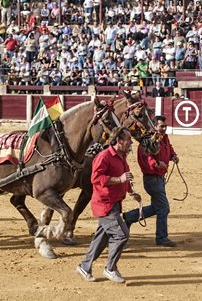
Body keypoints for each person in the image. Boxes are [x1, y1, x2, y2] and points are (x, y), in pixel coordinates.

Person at [76, 127, 141, 284]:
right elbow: (96, 178)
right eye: (128, 139)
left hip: (115, 203)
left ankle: (84, 266)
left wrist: (132, 192)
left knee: (101, 238)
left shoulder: (122, 156)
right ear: (119, 141)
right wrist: (119, 179)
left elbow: (125, 177)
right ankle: (110, 268)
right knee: (121, 234)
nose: (131, 142)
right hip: (104, 205)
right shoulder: (104, 156)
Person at [123, 115, 179, 247]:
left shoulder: (164, 137)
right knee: (164, 208)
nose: (164, 129)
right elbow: (146, 158)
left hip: (159, 179)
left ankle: (129, 217)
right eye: (161, 126)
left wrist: (173, 156)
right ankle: (161, 238)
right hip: (152, 179)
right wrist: (157, 164)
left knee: (157, 207)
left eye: (165, 126)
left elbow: (168, 148)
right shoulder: (147, 140)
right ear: (154, 126)